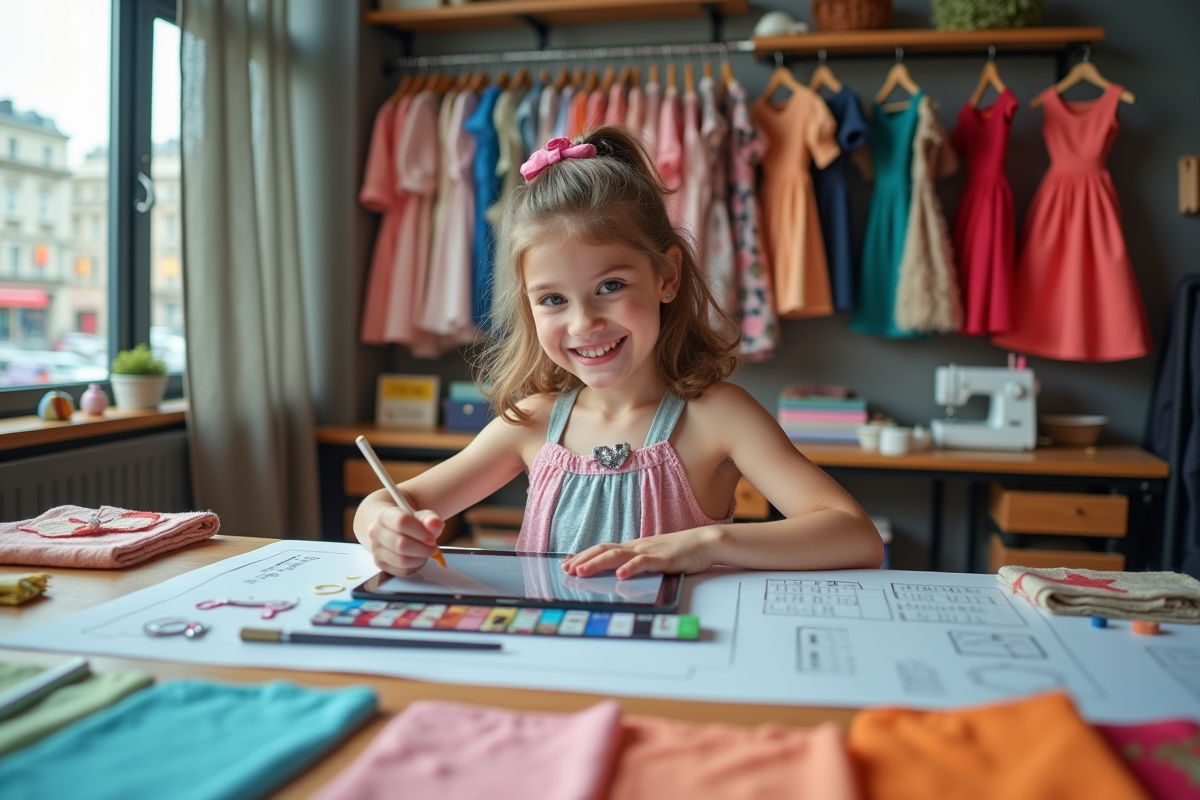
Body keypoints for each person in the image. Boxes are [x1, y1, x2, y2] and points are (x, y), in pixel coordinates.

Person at [354, 127, 883, 579]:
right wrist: (381, 526)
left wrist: (708, 545)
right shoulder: (532, 423)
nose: (584, 323)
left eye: (610, 286)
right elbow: (392, 503)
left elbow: (856, 536)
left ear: (667, 278)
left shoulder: (719, 416)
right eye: (553, 299)